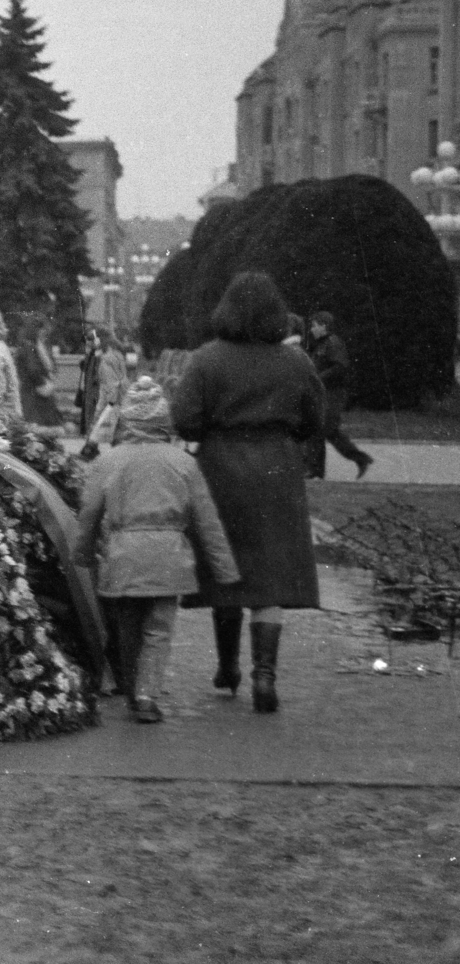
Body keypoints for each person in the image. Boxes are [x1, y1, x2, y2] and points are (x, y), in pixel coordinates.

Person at [170, 272, 324, 714]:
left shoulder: (205, 359)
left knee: (228, 570)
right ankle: (264, 676)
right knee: (270, 577)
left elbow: (184, 420)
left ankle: (227, 668)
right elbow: (315, 420)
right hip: (277, 471)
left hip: (221, 470)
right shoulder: (295, 363)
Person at [76, 376, 240, 723]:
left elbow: (89, 515)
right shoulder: (182, 462)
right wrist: (225, 569)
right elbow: (207, 521)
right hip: (169, 558)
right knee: (159, 629)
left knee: (128, 624)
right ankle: (147, 694)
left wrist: (83, 554)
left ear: (126, 421)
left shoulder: (108, 462)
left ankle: (132, 686)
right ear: (164, 421)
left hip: (123, 556)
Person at [306, 311, 373, 480]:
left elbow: (340, 366)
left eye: (314, 325)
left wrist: (319, 378)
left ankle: (317, 470)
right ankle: (318, 470)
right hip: (325, 393)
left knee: (323, 428)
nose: (312, 329)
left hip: (334, 393)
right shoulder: (321, 345)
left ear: (324, 326)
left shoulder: (333, 343)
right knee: (325, 430)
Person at [78, 325, 129, 452]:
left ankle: (90, 448)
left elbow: (110, 382)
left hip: (106, 397)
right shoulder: (113, 354)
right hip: (114, 396)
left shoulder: (107, 359)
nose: (89, 342)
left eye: (92, 339)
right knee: (113, 426)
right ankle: (92, 447)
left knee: (102, 421)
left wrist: (110, 401)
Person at [14, 318, 65, 432]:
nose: (45, 332)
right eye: (43, 329)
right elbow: (33, 369)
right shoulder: (30, 347)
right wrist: (43, 384)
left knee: (40, 430)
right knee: (39, 430)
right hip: (35, 394)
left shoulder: (33, 345)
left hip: (36, 393)